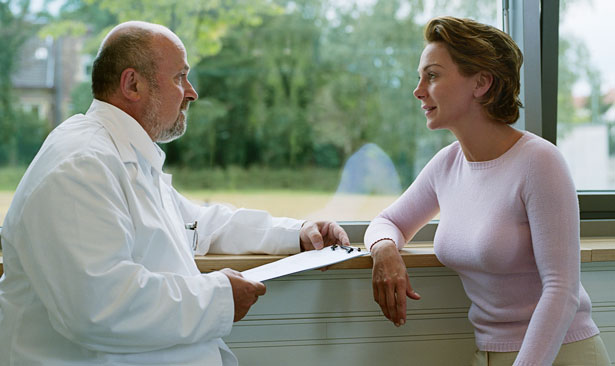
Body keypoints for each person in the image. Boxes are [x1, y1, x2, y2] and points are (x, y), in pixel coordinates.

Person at [0, 21, 349, 366]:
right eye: (179, 77)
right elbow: (99, 307)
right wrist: (219, 297)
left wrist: (298, 234)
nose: (192, 92)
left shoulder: (122, 156)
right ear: (132, 84)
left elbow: (197, 223)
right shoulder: (80, 166)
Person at [364, 16, 611, 365]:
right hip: (488, 353)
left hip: (560, 354)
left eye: (432, 75)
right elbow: (388, 221)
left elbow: (563, 291)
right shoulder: (447, 164)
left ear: (481, 82)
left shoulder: (539, 161)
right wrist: (385, 249)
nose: (418, 90)